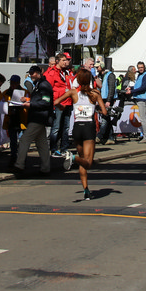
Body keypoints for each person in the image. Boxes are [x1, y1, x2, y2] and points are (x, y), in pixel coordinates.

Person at [67, 68, 107, 199]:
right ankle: (73, 158)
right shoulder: (95, 93)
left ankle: (85, 190)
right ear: (90, 80)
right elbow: (104, 112)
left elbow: (56, 101)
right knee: (88, 163)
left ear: (78, 80)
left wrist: (61, 107)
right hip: (89, 127)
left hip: (77, 128)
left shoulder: (73, 92)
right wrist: (97, 109)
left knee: (83, 161)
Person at [13, 65, 53, 176]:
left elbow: (46, 102)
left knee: (24, 140)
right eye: (30, 73)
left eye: (33, 73)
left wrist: (30, 104)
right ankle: (45, 168)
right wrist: (27, 100)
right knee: (42, 144)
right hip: (39, 117)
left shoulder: (43, 85)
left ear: (39, 73)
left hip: (38, 117)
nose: (31, 75)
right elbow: (40, 100)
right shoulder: (40, 84)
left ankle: (19, 165)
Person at [46, 53, 75, 157]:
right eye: (63, 60)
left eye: (66, 60)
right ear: (57, 61)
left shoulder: (66, 72)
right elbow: (48, 89)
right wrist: (54, 102)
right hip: (58, 103)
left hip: (68, 102)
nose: (66, 62)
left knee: (66, 127)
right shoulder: (52, 73)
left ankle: (64, 148)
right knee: (56, 127)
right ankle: (53, 149)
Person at [129, 61, 146, 143]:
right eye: (139, 68)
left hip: (142, 98)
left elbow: (143, 88)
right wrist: (131, 89)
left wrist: (131, 91)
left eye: (142, 67)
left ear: (144, 67)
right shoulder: (140, 75)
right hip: (138, 97)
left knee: (142, 118)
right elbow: (138, 86)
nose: (140, 69)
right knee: (142, 118)